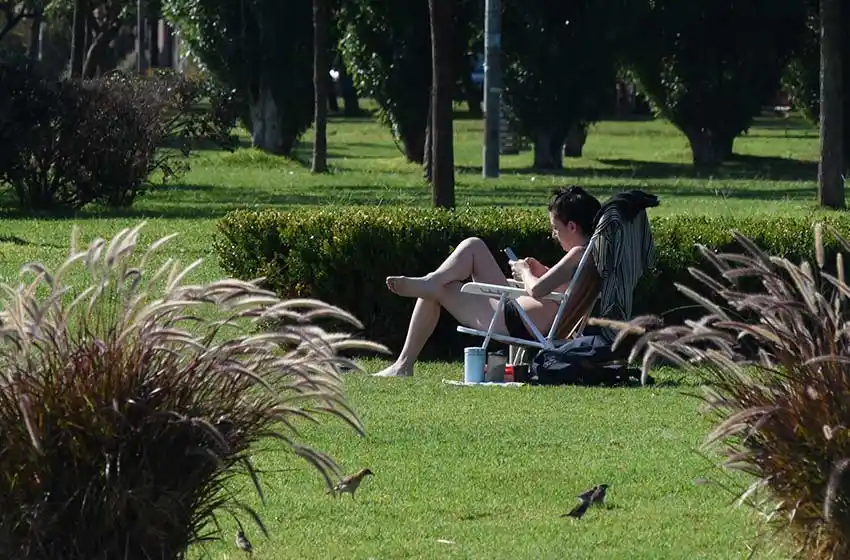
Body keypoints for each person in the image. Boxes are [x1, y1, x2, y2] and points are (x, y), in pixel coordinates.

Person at [374, 186, 603, 377]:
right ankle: (430, 282)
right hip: (521, 312)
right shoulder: (590, 257)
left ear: (572, 226)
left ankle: (404, 364)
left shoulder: (577, 255)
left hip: (517, 320)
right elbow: (560, 292)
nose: (553, 235)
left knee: (439, 287)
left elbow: (536, 289)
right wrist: (541, 270)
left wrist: (524, 272)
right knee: (474, 247)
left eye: (556, 228)